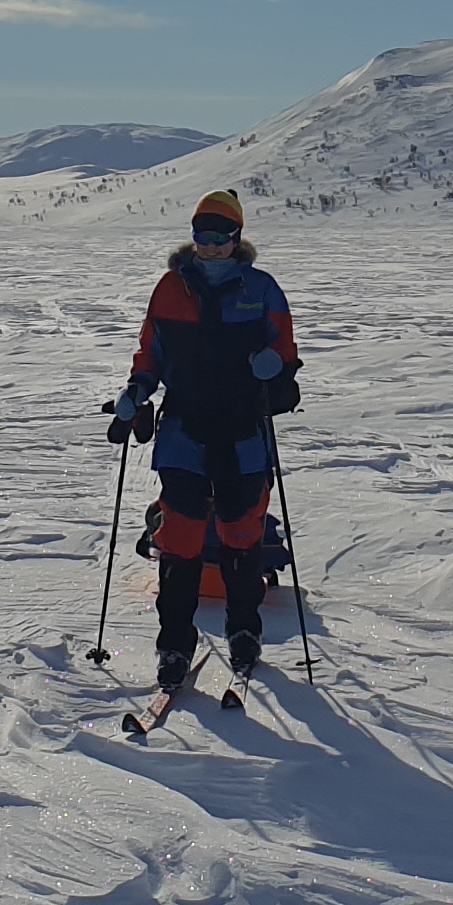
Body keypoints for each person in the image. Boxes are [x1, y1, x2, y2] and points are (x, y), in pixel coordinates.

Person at [107, 188, 300, 699]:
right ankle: (174, 644)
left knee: (242, 539)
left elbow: (285, 347)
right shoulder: (170, 289)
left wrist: (275, 366)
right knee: (181, 541)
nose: (211, 245)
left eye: (222, 236)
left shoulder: (261, 288)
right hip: (185, 431)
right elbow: (152, 352)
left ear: (238, 238)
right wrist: (137, 389)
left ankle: (243, 631)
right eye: (203, 236)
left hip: (243, 432)